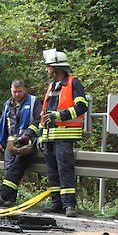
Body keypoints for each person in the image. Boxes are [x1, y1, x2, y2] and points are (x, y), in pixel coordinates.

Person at [38, 49, 89, 218]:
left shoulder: (73, 83)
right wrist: (40, 134)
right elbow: (44, 113)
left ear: (56, 67)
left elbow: (82, 106)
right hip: (49, 137)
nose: (46, 69)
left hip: (65, 136)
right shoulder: (52, 86)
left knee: (64, 170)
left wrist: (60, 115)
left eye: (48, 66)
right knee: (52, 173)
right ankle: (57, 203)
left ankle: (69, 205)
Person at [0, 79, 43, 206]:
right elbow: (4, 124)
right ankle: (10, 199)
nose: (17, 94)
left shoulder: (34, 101)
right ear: (11, 90)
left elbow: (38, 120)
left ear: (25, 90)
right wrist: (2, 142)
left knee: (16, 167)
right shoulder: (8, 104)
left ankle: (3, 195)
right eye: (14, 92)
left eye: (19, 92)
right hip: (11, 143)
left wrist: (28, 135)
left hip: (28, 142)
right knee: (10, 168)